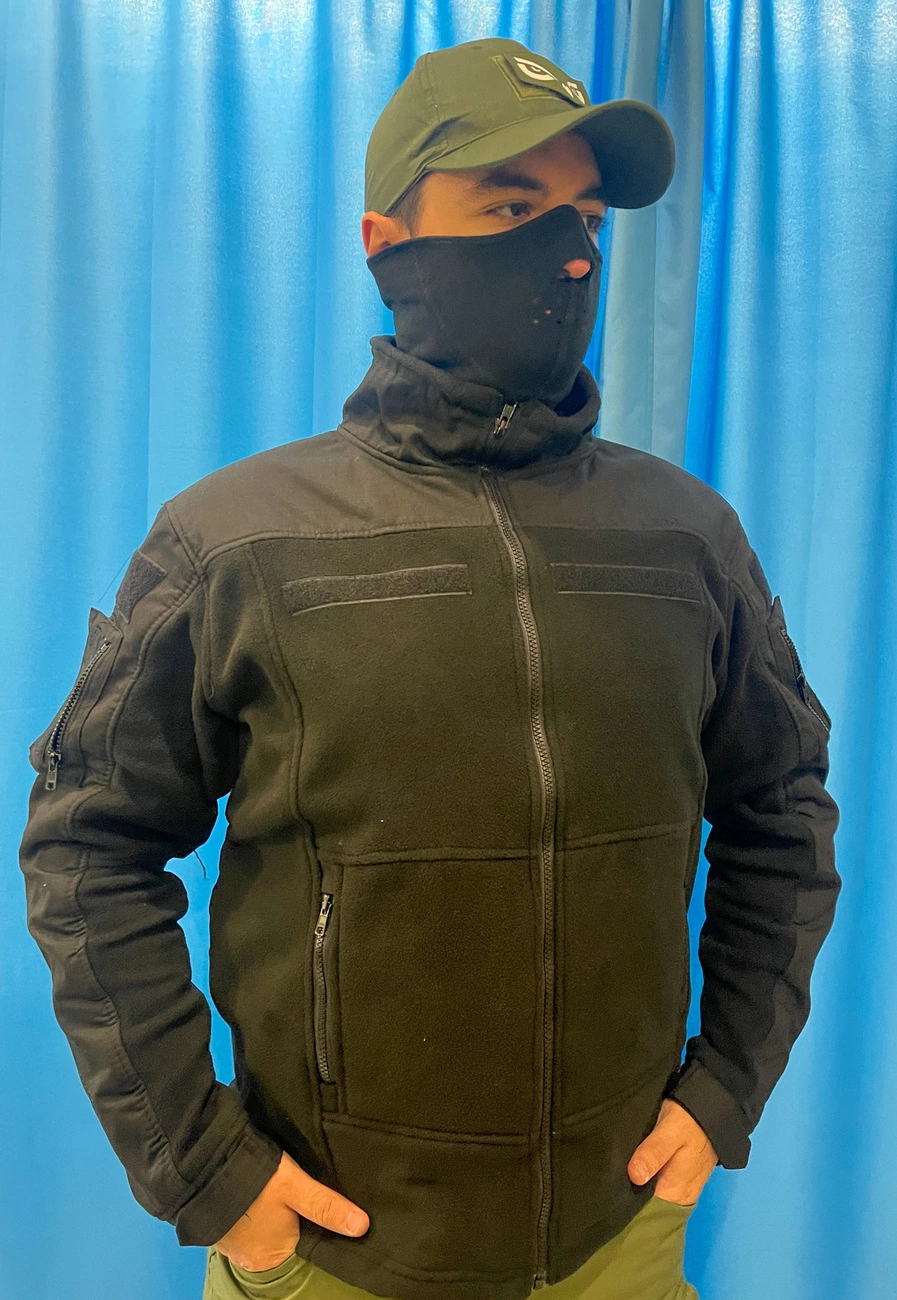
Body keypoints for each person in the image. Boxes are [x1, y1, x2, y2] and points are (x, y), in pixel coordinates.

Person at [18, 35, 841, 1300]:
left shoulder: (688, 539)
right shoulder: (235, 541)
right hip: (338, 1255)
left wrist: (725, 1083)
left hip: (619, 1240)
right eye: (510, 207)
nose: (570, 255)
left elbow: (782, 809)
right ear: (386, 241)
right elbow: (87, 844)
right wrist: (208, 1171)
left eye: (584, 217)